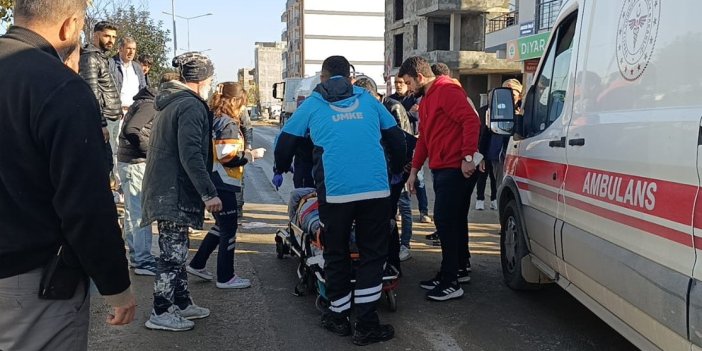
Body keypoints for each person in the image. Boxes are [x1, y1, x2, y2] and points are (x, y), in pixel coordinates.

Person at [0, 1, 137, 349]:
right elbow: (85, 204)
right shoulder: (58, 86)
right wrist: (116, 286)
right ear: (69, 25)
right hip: (30, 282)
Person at [274, 56, 406, 346]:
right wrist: (396, 169)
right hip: (375, 190)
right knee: (373, 254)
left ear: (324, 77)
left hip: (335, 192)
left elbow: (285, 140)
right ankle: (367, 323)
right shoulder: (370, 101)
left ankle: (338, 316)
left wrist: (280, 167)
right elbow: (397, 139)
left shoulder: (312, 104)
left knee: (336, 252)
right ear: (350, 76)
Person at [141, 52, 222, 332]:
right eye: (210, 80)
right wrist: (208, 193)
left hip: (168, 188)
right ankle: (161, 311)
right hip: (173, 191)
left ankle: (182, 303)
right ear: (201, 80)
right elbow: (190, 153)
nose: (211, 86)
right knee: (172, 255)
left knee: (177, 249)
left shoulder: (173, 102)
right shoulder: (189, 106)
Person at [401, 56, 481, 301]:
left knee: (446, 221)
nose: (408, 87)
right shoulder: (427, 100)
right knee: (454, 221)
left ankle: (450, 281)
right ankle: (457, 268)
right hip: (443, 167)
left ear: (420, 78)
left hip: (455, 168)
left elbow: (471, 120)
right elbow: (424, 138)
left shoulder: (446, 89)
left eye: (408, 82)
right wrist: (414, 171)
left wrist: (468, 156)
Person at [187, 82, 252, 289]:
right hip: (224, 181)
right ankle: (226, 276)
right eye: (242, 104)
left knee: (220, 225)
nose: (243, 110)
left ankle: (198, 263)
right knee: (229, 229)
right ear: (235, 102)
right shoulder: (228, 123)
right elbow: (226, 156)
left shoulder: (213, 117)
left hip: (214, 178)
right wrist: (249, 156)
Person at [354, 77, 415, 268]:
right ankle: (384, 260)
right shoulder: (369, 110)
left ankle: (392, 260)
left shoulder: (390, 107)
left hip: (394, 172)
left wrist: (399, 170)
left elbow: (402, 140)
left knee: (389, 216)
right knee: (382, 218)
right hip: (381, 173)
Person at [116, 75, 171, 276]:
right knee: (140, 212)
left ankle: (139, 256)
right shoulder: (149, 105)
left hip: (129, 162)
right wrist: (150, 150)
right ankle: (142, 260)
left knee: (134, 212)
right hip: (136, 163)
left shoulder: (141, 102)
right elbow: (132, 130)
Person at [79, 21, 122, 177]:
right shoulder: (90, 57)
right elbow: (92, 91)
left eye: (113, 37)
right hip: (104, 120)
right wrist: (101, 123)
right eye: (107, 36)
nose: (111, 40)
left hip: (112, 118)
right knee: (104, 164)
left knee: (109, 163)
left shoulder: (100, 57)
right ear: (96, 35)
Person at [389, 75, 432, 225]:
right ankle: (397, 212)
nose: (399, 85)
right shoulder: (390, 100)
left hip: (413, 146)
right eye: (396, 83)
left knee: (419, 181)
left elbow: (418, 116)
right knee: (399, 186)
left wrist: (409, 113)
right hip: (397, 148)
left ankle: (423, 211)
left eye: (402, 83)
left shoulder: (415, 98)